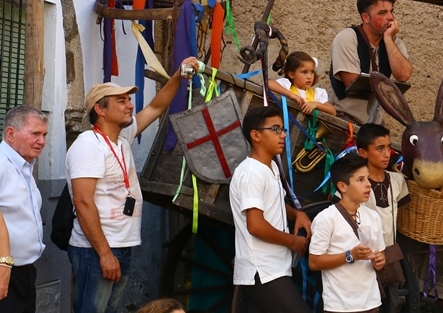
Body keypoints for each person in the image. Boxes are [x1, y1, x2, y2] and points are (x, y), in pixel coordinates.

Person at [66, 56, 199, 313]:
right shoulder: (89, 145)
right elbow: (82, 202)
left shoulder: (122, 137)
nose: (130, 105)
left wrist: (178, 76)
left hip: (121, 245)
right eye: (121, 101)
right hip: (96, 250)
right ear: (100, 109)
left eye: (129, 99)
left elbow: (156, 107)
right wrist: (105, 254)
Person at [230, 105, 312, 313]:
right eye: (275, 129)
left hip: (274, 268)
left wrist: (297, 214)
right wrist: (293, 241)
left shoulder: (271, 167)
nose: (283, 134)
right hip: (263, 270)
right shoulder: (251, 173)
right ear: (256, 135)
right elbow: (256, 226)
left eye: (283, 129)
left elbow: (271, 203)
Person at [309, 153, 386, 313]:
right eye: (360, 180)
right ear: (342, 186)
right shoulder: (326, 218)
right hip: (339, 306)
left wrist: (380, 260)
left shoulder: (374, 217)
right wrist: (350, 255)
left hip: (371, 304)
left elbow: (379, 255)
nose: (368, 185)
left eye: (367, 178)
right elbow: (314, 262)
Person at [329, 0, 412, 124]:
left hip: (374, 123)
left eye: (391, 11)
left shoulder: (394, 42)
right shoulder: (348, 37)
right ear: (366, 17)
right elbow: (352, 83)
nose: (390, 17)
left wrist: (388, 39)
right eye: (383, 12)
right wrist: (386, 88)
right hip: (342, 118)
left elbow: (403, 75)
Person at [356, 123, 410, 313]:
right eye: (380, 149)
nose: (387, 153)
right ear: (363, 152)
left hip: (389, 255)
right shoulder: (354, 182)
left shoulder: (397, 181)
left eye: (388, 147)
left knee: (391, 305)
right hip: (362, 257)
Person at [0, 106, 48, 313]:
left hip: (25, 273)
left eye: (44, 134)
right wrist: (4, 264)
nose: (42, 141)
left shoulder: (24, 165)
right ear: (11, 133)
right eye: (35, 134)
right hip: (6, 271)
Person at [268, 51, 336, 116]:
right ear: (291, 74)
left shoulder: (316, 94)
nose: (309, 77)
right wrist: (290, 95)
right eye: (304, 72)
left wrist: (315, 104)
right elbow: (268, 83)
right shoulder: (287, 86)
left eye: (312, 72)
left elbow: (333, 111)